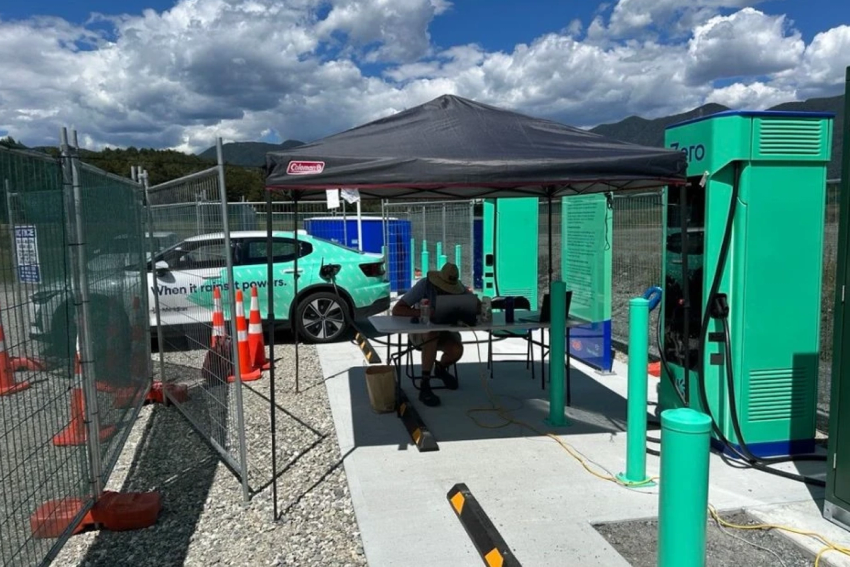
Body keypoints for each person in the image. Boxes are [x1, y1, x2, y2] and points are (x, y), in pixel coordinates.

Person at [392, 262, 476, 407]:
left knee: (457, 349)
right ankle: (425, 385)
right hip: (420, 334)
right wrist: (422, 313)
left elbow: (477, 305)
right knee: (431, 334)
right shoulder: (424, 285)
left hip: (445, 333)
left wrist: (472, 308)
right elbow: (397, 309)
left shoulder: (459, 288)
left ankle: (440, 368)